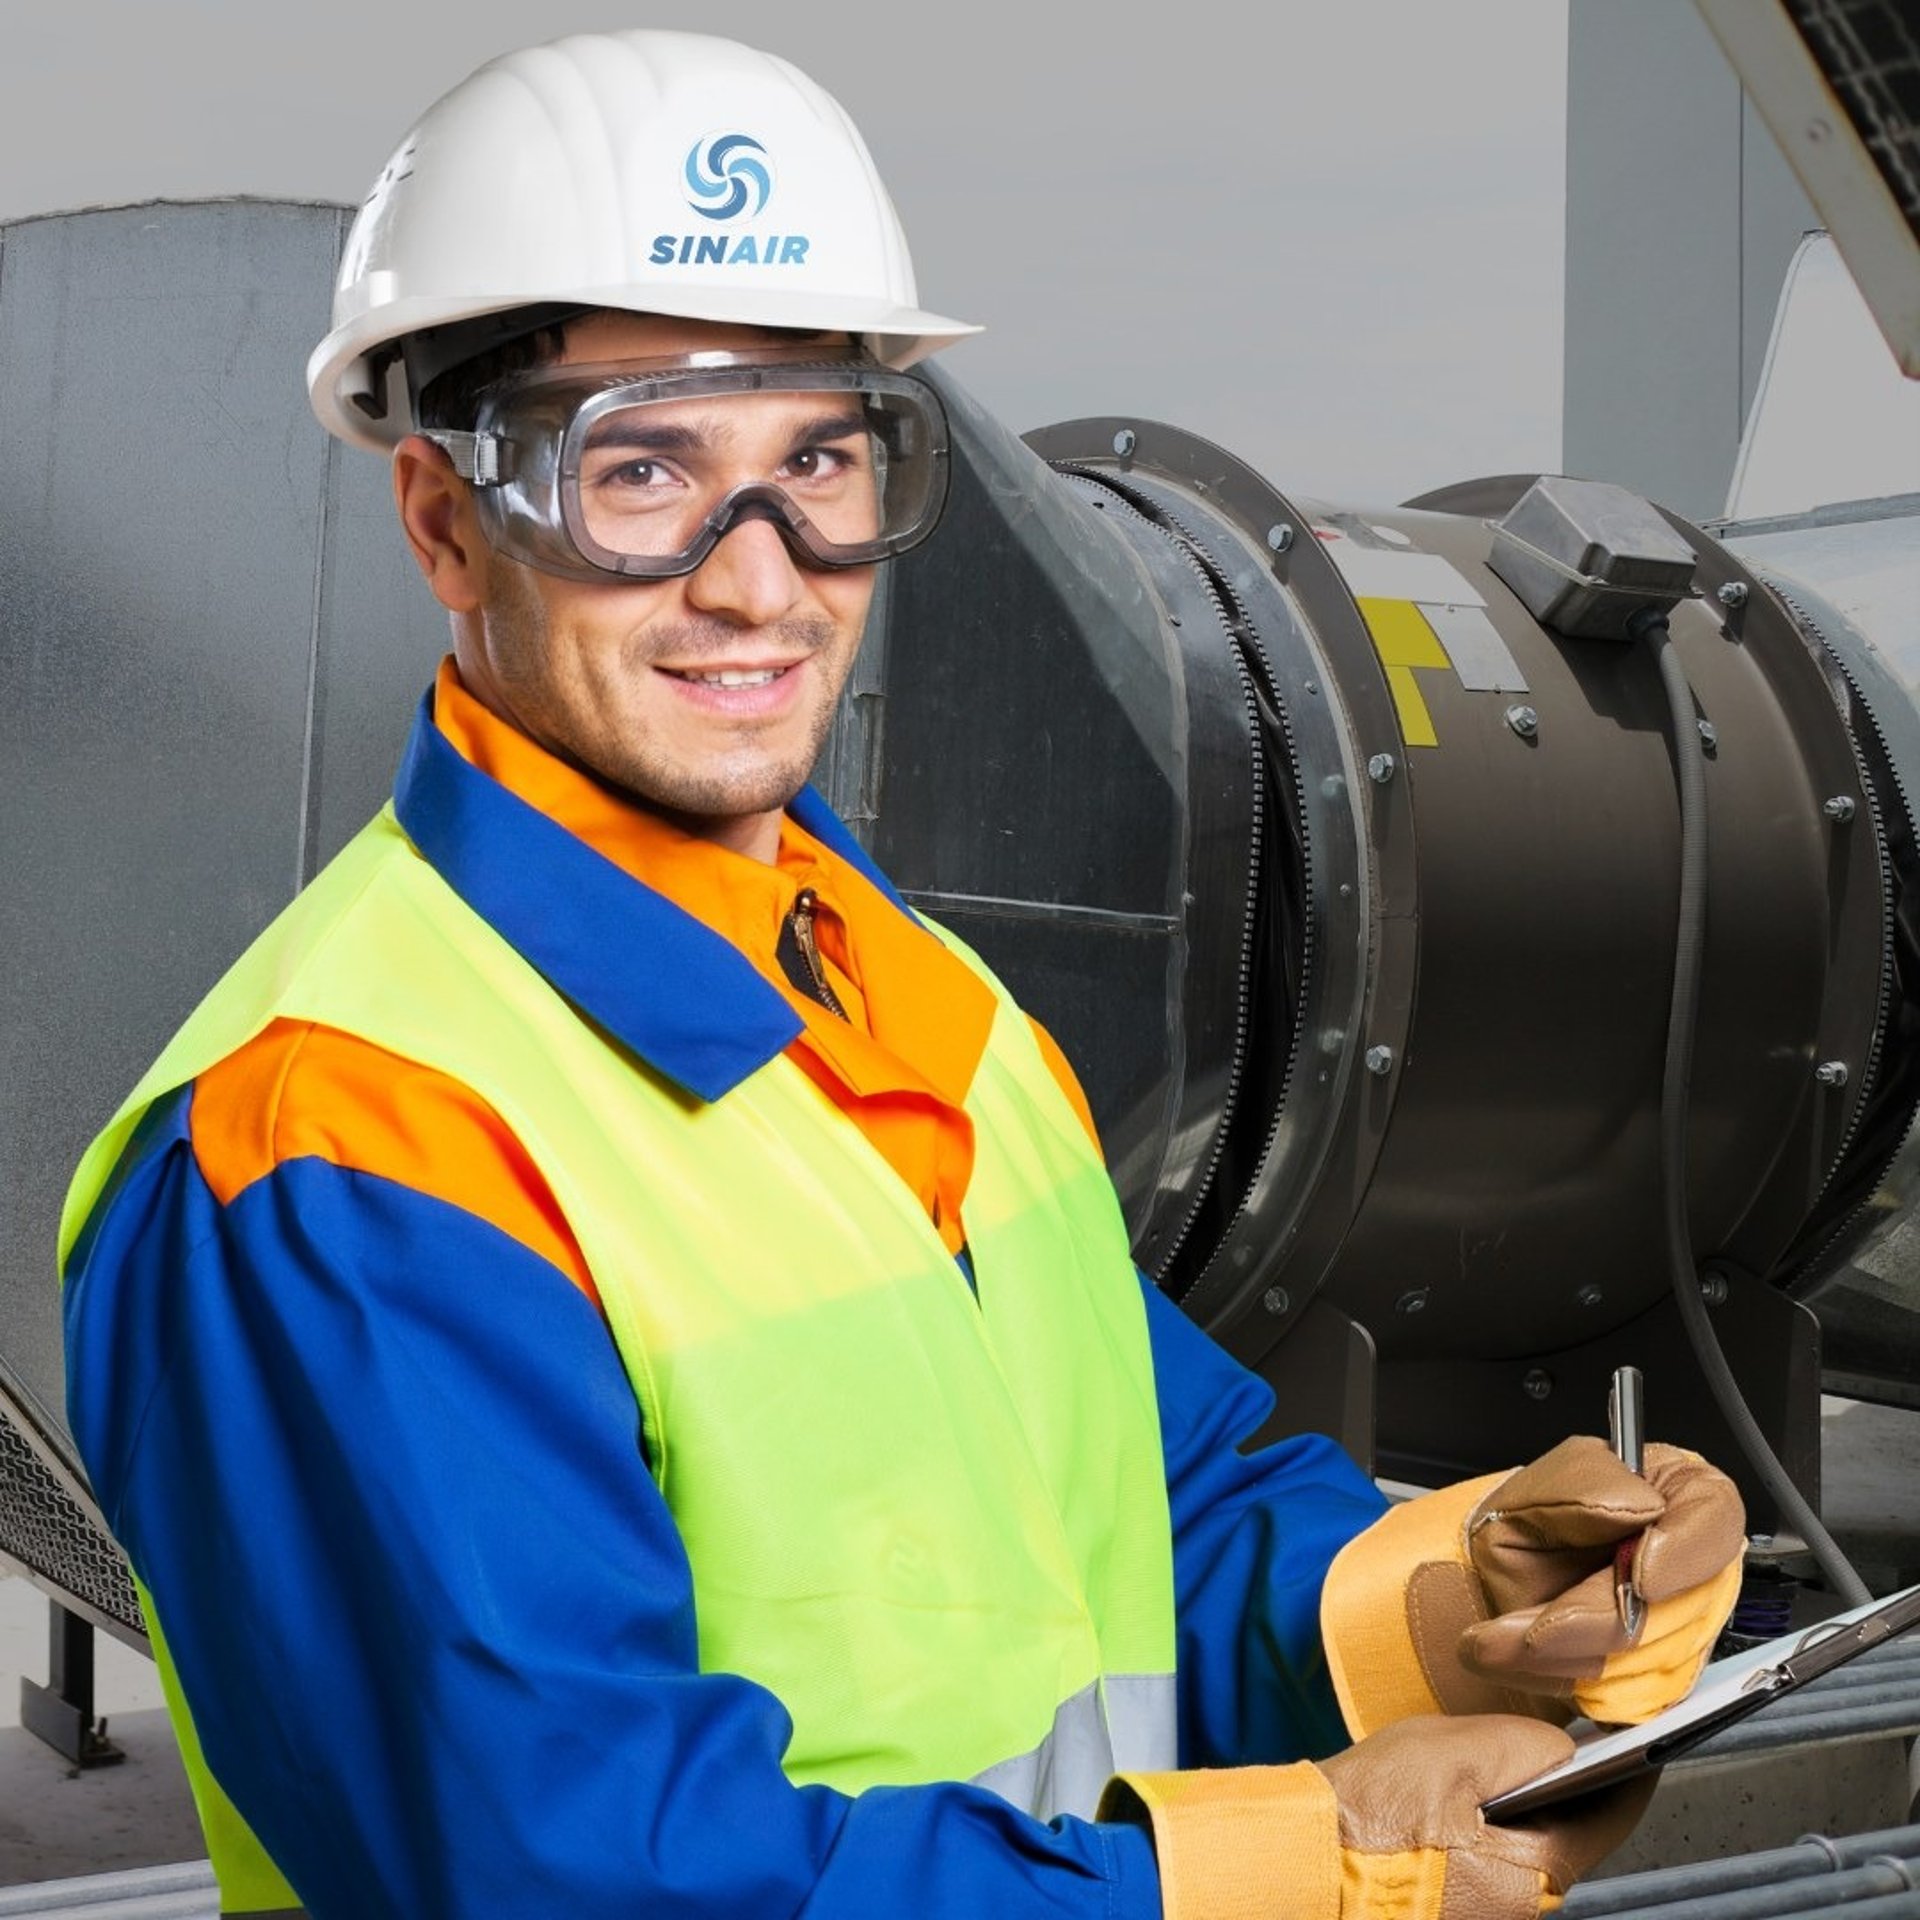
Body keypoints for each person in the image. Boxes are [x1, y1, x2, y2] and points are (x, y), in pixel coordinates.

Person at [58, 29, 1746, 1920]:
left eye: (822, 466)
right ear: (449, 522)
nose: (761, 578)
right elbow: (579, 1873)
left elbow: (1139, 1507)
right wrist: (1295, 1874)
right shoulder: (341, 1147)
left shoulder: (912, 997)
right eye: (643, 474)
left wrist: (1453, 1599)